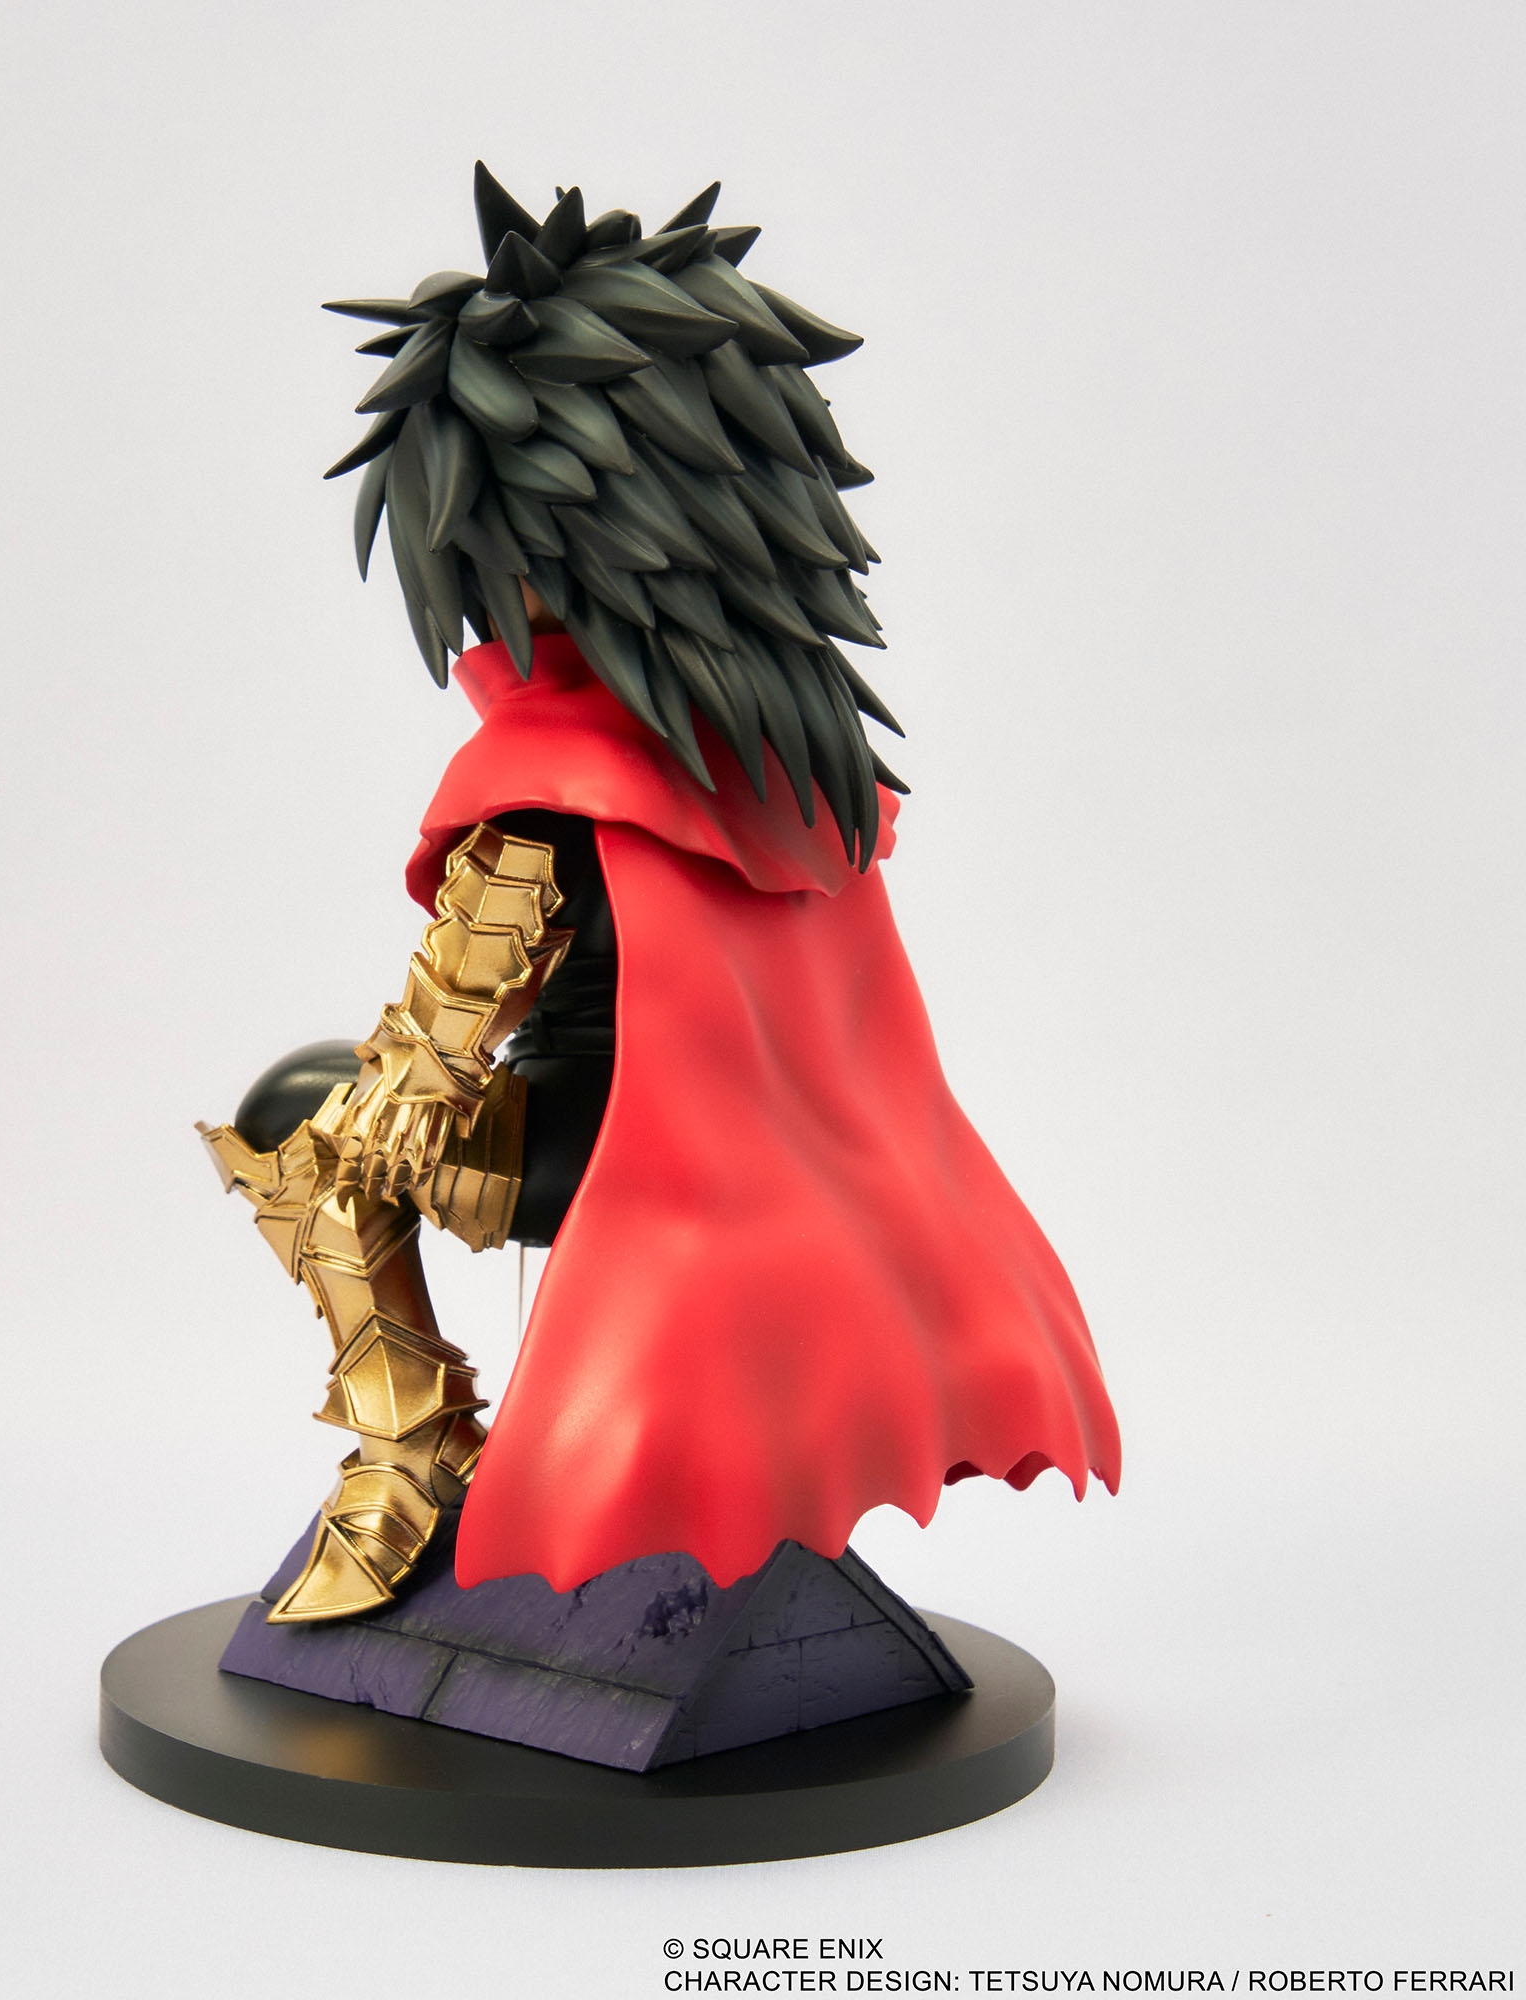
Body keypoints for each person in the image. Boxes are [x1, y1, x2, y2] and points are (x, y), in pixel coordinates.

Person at [199, 165, 1120, 1624]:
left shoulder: (551, 782)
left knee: (290, 1115)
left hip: (620, 1179)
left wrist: (386, 1098)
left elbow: (428, 1061)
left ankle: (407, 1452)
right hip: (819, 1198)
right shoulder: (797, 748)